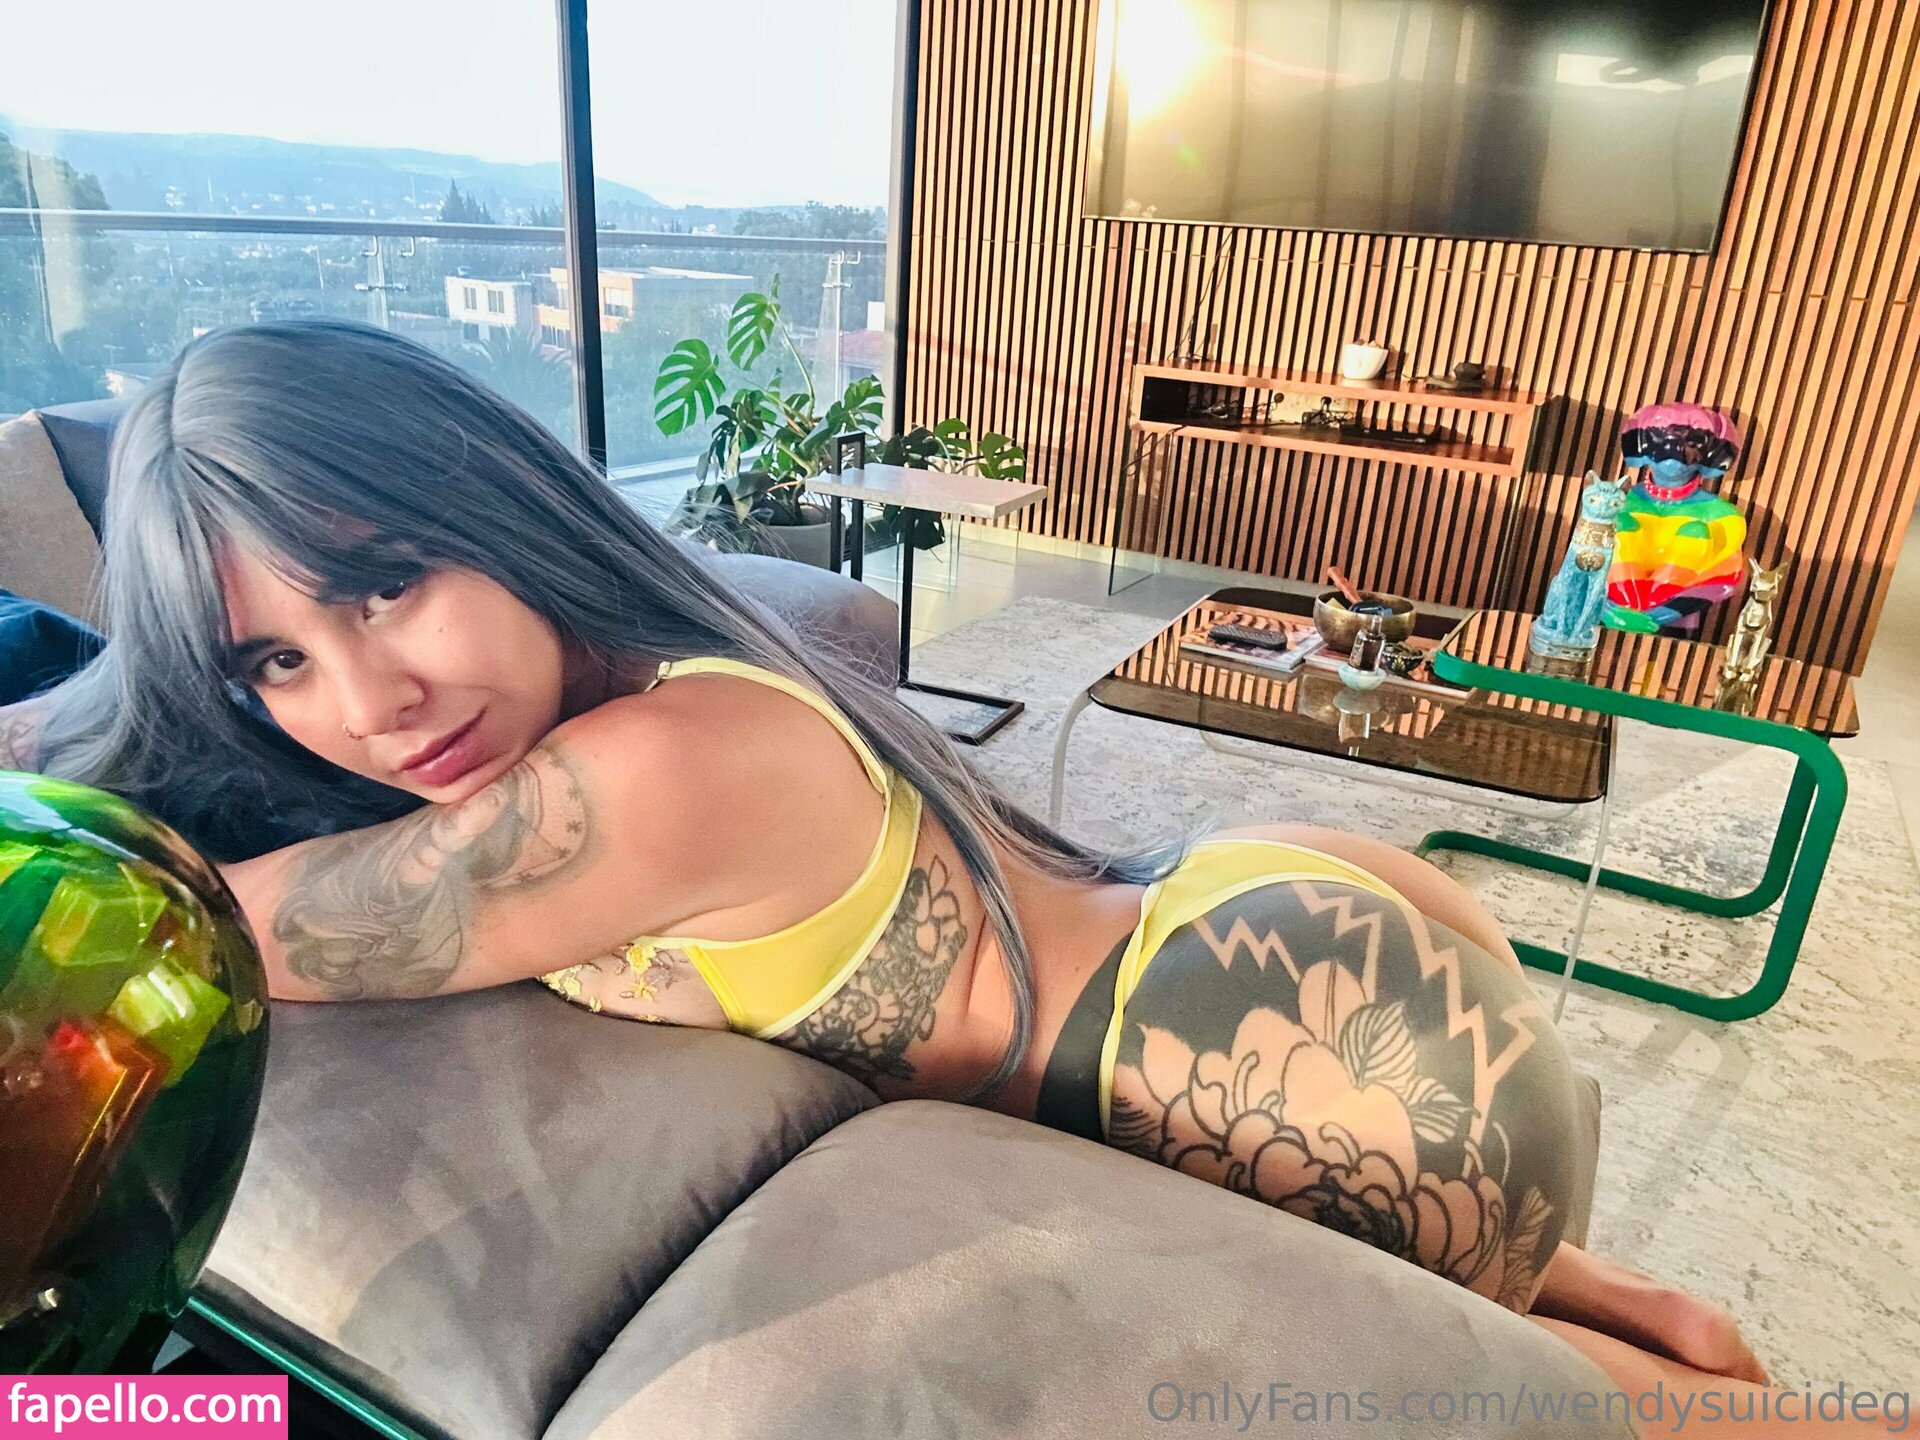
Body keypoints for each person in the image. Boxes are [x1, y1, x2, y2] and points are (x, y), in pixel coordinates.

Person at [0, 322, 1866, 1433]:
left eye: (386, 580)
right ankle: (1591, 1293)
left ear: (495, 505)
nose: (369, 701)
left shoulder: (644, 775)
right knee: (1609, 1332)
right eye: (274, 661)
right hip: (1234, 946)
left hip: (1247, 1048)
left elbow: (227, 925)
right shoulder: (644, 677)